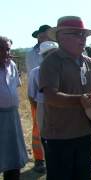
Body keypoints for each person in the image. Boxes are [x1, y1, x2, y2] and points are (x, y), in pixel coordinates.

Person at [39, 16, 91, 180]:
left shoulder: (90, 63)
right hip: (59, 137)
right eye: (77, 34)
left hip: (85, 133)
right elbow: (50, 96)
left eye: (84, 35)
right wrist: (79, 100)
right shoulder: (51, 62)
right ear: (60, 36)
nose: (83, 39)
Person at [0, 36, 28, 180]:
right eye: (2, 49)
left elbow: (15, 86)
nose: (6, 53)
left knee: (13, 159)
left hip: (12, 117)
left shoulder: (12, 65)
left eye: (8, 49)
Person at [25, 24, 51, 172]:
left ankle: (51, 156)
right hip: (37, 95)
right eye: (42, 35)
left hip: (53, 96)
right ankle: (39, 158)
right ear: (39, 36)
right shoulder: (31, 54)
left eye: (47, 35)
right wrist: (33, 98)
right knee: (37, 128)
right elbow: (32, 76)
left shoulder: (55, 50)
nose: (44, 37)